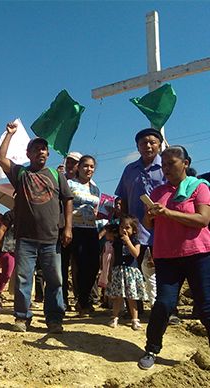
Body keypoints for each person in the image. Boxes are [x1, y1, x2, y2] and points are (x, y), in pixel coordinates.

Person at [0, 122, 73, 334]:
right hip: (26, 239)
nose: (41, 151)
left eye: (44, 149)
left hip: (51, 238)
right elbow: (0, 159)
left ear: (48, 154)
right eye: (36, 149)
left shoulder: (57, 176)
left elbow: (67, 200)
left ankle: (54, 319)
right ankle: (22, 317)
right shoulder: (21, 173)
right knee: (23, 278)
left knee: (55, 280)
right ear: (28, 153)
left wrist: (68, 228)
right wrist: (9, 134)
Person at [138, 146, 210, 370]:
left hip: (199, 254)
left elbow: (202, 219)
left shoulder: (199, 187)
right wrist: (150, 215)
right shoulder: (158, 192)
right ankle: (151, 349)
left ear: (185, 163)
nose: (166, 168)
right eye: (164, 165)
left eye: (171, 163)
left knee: (207, 306)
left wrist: (169, 213)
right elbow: (147, 224)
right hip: (166, 256)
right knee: (164, 303)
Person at [115, 128, 165, 318]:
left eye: (152, 142)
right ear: (137, 147)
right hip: (136, 231)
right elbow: (122, 197)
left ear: (160, 144)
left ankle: (166, 309)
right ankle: (135, 309)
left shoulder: (165, 167)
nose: (148, 146)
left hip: (163, 229)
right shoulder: (129, 169)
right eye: (143, 143)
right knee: (133, 270)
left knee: (162, 271)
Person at [68, 155, 101, 317]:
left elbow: (96, 209)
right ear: (78, 168)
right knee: (80, 266)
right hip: (75, 228)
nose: (89, 169)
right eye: (85, 166)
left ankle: (84, 298)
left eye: (92, 167)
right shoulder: (70, 184)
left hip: (91, 229)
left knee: (94, 265)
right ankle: (82, 302)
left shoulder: (95, 189)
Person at [106, 215, 146, 330]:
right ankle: (115, 317)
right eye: (121, 227)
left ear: (133, 230)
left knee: (131, 297)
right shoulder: (116, 242)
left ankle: (135, 319)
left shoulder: (135, 241)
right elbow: (113, 257)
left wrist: (128, 242)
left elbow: (136, 254)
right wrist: (109, 271)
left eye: (127, 227)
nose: (124, 230)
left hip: (130, 272)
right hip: (118, 271)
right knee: (118, 297)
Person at [61, 151, 82, 310]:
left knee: (79, 266)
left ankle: (80, 299)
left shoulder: (89, 184)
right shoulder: (58, 179)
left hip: (81, 229)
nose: (70, 165)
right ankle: (62, 299)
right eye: (68, 162)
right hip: (61, 227)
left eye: (74, 163)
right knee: (61, 265)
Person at [0, 210, 16, 309]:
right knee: (6, 273)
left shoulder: (30, 214)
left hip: (23, 248)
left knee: (23, 275)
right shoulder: (10, 214)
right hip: (8, 247)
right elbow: (2, 229)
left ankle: (23, 300)